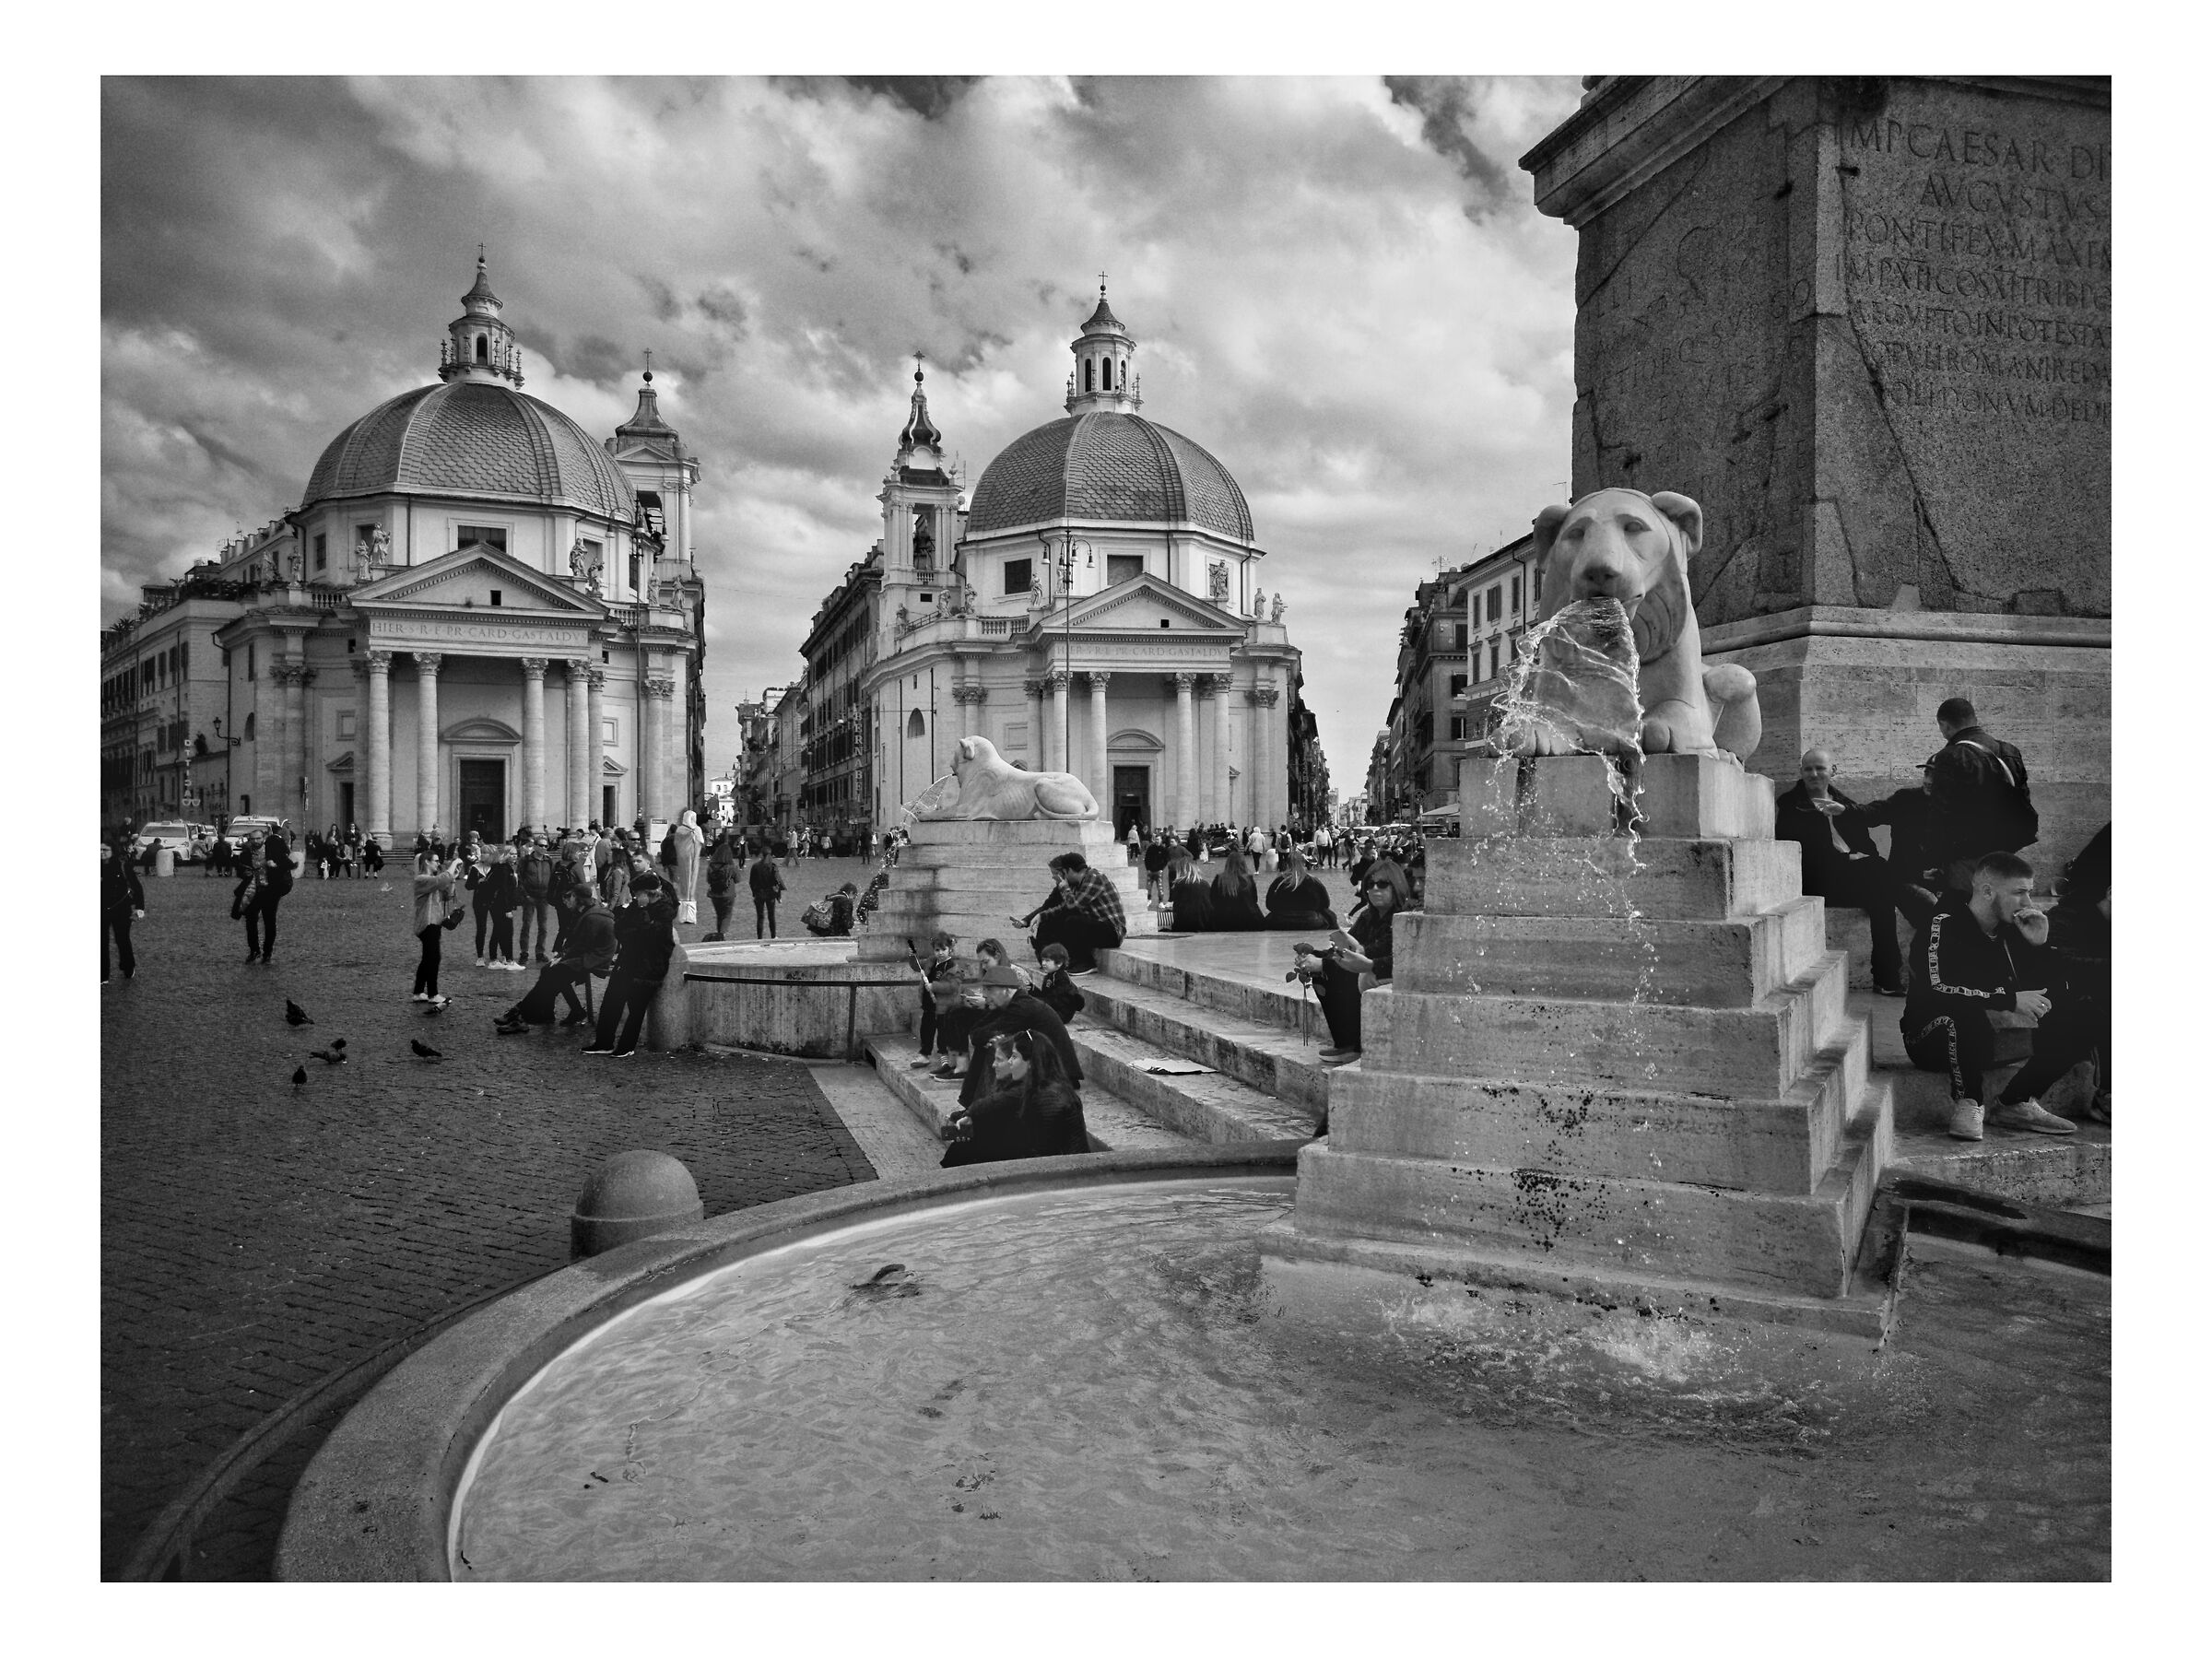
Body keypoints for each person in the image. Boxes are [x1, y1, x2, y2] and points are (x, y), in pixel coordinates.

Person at [1901, 851, 2097, 1142]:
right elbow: (1938, 987)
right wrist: (2009, 999)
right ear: (1987, 891)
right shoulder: (1943, 923)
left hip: (1995, 1038)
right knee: (1964, 1013)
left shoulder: (2014, 930)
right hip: (1932, 1037)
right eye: (2019, 893)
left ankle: (2014, 1104)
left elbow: (2049, 993)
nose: (2028, 903)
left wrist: (2041, 948)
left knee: (2083, 1017)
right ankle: (1970, 1102)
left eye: (2029, 892)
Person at [1774, 747, 1907, 995]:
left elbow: (1869, 849)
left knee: (1882, 897)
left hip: (1848, 880)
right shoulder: (1791, 807)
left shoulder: (1846, 806)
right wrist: (1849, 858)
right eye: (1808, 769)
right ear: (1801, 772)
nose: (1814, 774)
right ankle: (1913, 901)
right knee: (1882, 876)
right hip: (1814, 880)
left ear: (1832, 771)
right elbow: (1792, 853)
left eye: (1820, 768)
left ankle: (1887, 978)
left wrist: (1855, 858)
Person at [1300, 858, 1410, 1065]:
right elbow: (1347, 947)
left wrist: (1324, 963)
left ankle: (1358, 1043)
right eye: (1370, 884)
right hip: (1368, 968)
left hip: (1385, 972)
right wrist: (1314, 954)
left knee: (1343, 974)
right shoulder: (1368, 916)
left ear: (1396, 885)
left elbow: (1376, 952)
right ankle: (1345, 1042)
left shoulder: (1400, 918)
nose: (1375, 889)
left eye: (1382, 884)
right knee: (1321, 976)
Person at [1924, 697, 2036, 890]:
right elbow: (2023, 799)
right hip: (2006, 854)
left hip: (1967, 859)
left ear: (1944, 724)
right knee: (2001, 909)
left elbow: (1940, 815)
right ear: (1974, 719)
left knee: (1966, 912)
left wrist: (1935, 859)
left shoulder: (1950, 756)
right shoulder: (2009, 751)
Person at [940, 1028, 1090, 1169]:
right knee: (974, 1137)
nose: (1010, 1062)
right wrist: (971, 1118)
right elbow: (995, 1104)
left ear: (1031, 1062)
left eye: (1014, 1056)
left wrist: (971, 1117)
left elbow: (1043, 1155)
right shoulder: (1042, 1086)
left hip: (1063, 1174)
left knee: (976, 1138)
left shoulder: (1047, 1095)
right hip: (1048, 1166)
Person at [954, 963, 1085, 1109]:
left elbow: (981, 1034)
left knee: (997, 1048)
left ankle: (978, 1109)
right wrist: (987, 1036)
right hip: (1041, 1066)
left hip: (1060, 1075)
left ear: (1006, 990)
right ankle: (972, 1106)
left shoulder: (1022, 1007)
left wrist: (988, 1037)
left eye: (989, 989)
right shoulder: (1009, 1003)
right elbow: (976, 1033)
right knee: (993, 1044)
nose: (984, 995)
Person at [584, 869, 678, 1058]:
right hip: (628, 962)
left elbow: (648, 937)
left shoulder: (663, 911)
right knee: (611, 1002)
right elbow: (620, 929)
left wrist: (642, 915)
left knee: (636, 1009)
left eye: (637, 894)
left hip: (648, 967)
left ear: (646, 894)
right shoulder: (636, 908)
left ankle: (626, 1046)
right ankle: (604, 1042)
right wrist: (636, 925)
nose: (634, 897)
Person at [496, 887, 617, 1033]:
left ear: (577, 898)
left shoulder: (592, 916)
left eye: (570, 896)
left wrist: (562, 958)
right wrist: (561, 956)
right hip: (589, 954)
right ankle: (547, 1013)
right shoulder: (586, 911)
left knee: (553, 974)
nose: (567, 900)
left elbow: (582, 945)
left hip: (595, 957)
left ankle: (521, 1014)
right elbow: (576, 941)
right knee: (549, 971)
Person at [1015, 853, 1125, 972]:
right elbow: (1062, 907)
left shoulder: (1095, 878)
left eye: (1063, 873)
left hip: (1113, 932)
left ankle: (1086, 963)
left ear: (1069, 870)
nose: (1062, 878)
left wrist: (1064, 887)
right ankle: (1054, 959)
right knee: (1056, 919)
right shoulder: (1078, 884)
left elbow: (1073, 907)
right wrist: (1041, 916)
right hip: (1097, 927)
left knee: (1072, 921)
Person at [234, 827, 294, 965]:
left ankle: (267, 952)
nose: (255, 841)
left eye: (258, 838)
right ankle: (254, 950)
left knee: (269, 921)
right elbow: (239, 871)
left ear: (264, 838)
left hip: (270, 890)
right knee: (250, 920)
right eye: (253, 839)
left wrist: (275, 865)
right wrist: (245, 873)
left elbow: (286, 866)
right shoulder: (246, 854)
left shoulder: (272, 851)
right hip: (253, 890)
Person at [411, 851, 462, 1007]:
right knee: (434, 958)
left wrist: (452, 880)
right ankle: (433, 994)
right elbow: (441, 880)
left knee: (428, 958)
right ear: (427, 862)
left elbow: (447, 895)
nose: (438, 863)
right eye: (436, 860)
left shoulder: (432, 880)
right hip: (427, 922)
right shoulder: (421, 879)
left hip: (435, 921)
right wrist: (453, 864)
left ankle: (418, 992)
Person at [912, 931, 968, 1070]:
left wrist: (935, 986)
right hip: (929, 1004)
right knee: (926, 1029)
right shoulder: (931, 962)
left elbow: (953, 986)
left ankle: (944, 1055)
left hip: (943, 1006)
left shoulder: (953, 968)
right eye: (937, 950)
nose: (940, 953)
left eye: (944, 949)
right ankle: (924, 1054)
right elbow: (916, 965)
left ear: (950, 950)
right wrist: (911, 956)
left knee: (943, 1032)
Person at [102, 835, 146, 982]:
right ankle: (103, 975)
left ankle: (128, 966)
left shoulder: (123, 866)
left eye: (105, 850)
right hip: (101, 909)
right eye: (99, 850)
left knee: (122, 940)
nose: (101, 852)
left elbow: (136, 887)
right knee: (101, 942)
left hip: (121, 908)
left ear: (112, 850)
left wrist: (140, 908)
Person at [1265, 848, 1336, 931]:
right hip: (1311, 920)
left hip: (1281, 921)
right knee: (1330, 915)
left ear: (1287, 864)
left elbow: (1269, 904)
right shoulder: (1314, 881)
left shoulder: (1279, 881)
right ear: (1304, 864)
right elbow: (1325, 903)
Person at [517, 834, 556, 965]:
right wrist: (525, 895)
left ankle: (540, 952)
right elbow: (520, 879)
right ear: (535, 846)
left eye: (546, 846)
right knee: (526, 925)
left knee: (543, 927)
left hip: (544, 897)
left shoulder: (549, 861)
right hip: (529, 897)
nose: (544, 848)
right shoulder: (526, 860)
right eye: (541, 845)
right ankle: (524, 952)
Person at [482, 844, 523, 969]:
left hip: (498, 905)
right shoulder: (504, 869)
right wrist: (508, 909)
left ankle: (497, 959)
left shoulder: (505, 868)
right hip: (500, 906)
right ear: (505, 855)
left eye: (516, 854)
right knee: (506, 932)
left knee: (498, 931)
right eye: (511, 854)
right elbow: (504, 890)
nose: (514, 856)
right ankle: (508, 960)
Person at [1208, 845, 1266, 931]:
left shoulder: (1219, 879)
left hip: (1223, 920)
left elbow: (1213, 899)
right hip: (1247, 919)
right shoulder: (1248, 880)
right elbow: (1254, 899)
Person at [1035, 941, 1087, 1022]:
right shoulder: (1050, 976)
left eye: (1047, 961)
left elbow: (1054, 1000)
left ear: (1059, 963)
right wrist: (1031, 988)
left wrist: (1036, 1002)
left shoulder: (1062, 979)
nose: (1043, 963)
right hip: (1052, 1009)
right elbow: (1045, 995)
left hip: (1061, 1014)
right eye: (1043, 960)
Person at [704, 829, 740, 941]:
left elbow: (708, 880)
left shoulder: (711, 866)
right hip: (728, 894)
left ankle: (719, 933)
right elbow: (738, 879)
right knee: (727, 915)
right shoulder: (731, 867)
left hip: (714, 894)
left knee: (719, 915)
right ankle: (722, 935)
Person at [1165, 847, 1215, 932]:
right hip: (1204, 924)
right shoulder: (1204, 884)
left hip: (1184, 924)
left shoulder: (1179, 884)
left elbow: (1178, 907)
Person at [748, 845, 784, 939]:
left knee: (760, 917)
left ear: (761, 854)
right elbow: (778, 882)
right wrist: (778, 896)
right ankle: (773, 936)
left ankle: (759, 938)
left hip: (759, 894)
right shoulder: (772, 866)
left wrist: (754, 893)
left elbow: (751, 882)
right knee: (771, 916)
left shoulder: (755, 866)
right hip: (770, 894)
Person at [1143, 829, 1173, 908]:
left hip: (1159, 871)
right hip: (1150, 871)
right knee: (1148, 887)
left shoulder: (1163, 849)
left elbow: (1166, 860)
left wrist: (1161, 868)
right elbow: (1147, 859)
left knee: (1160, 887)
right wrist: (1148, 869)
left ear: (1161, 840)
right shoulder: (1150, 848)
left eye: (1158, 839)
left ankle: (1161, 902)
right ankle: (1148, 900)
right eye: (1156, 839)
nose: (1157, 841)